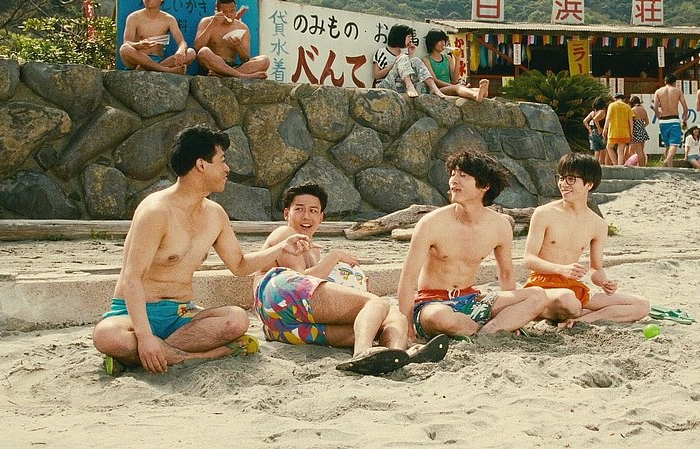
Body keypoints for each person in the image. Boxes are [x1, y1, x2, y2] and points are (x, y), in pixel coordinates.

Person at [92, 125, 313, 375]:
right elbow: (132, 278)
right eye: (222, 160)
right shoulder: (156, 211)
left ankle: (145, 357)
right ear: (201, 164)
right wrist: (144, 337)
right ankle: (201, 354)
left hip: (182, 316)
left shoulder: (215, 215)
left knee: (236, 319)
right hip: (133, 314)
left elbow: (239, 265)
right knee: (107, 336)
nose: (227, 169)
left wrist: (281, 248)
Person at [254, 183, 449, 375]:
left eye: (313, 210)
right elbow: (300, 281)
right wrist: (334, 256)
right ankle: (362, 353)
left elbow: (306, 289)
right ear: (286, 214)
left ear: (321, 217)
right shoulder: (286, 234)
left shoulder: (313, 250)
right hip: (276, 300)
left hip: (283, 327)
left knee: (389, 320)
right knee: (377, 303)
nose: (306, 216)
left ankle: (398, 356)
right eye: (299, 209)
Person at [397, 151, 579, 341]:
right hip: (432, 303)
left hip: (472, 300)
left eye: (463, 175)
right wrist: (407, 326)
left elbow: (506, 275)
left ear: (484, 186)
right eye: (453, 174)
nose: (454, 181)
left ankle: (487, 331)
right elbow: (408, 278)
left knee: (538, 295)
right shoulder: (431, 223)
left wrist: (512, 313)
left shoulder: (500, 226)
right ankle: (486, 328)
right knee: (440, 317)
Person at [523, 153, 650, 327]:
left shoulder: (598, 224)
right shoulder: (544, 213)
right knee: (568, 300)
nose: (563, 184)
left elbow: (596, 269)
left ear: (589, 184)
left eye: (571, 179)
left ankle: (580, 320)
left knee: (641, 305)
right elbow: (529, 259)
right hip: (542, 286)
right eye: (561, 178)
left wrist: (604, 282)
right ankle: (575, 313)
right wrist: (561, 269)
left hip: (573, 288)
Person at [194, 0, 269, 79]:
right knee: (203, 52)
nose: (229, 15)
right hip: (213, 65)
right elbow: (197, 47)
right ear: (217, 11)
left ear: (236, 10)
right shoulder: (207, 22)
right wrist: (212, 24)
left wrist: (238, 46)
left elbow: (246, 58)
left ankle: (224, 74)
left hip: (233, 66)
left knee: (265, 60)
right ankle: (241, 75)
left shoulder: (242, 27)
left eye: (232, 11)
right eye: (224, 12)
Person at [119, 0, 197, 74]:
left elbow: (182, 42)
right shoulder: (133, 17)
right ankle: (166, 70)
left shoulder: (169, 19)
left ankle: (148, 68)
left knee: (191, 53)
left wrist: (181, 50)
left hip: (159, 61)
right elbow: (127, 42)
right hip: (139, 60)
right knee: (124, 49)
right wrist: (139, 44)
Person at [372, 24, 447, 98]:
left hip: (400, 86)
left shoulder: (404, 54)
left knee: (415, 60)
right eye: (408, 37)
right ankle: (409, 86)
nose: (410, 40)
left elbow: (409, 71)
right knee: (403, 57)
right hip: (384, 86)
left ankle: (433, 88)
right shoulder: (382, 52)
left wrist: (410, 55)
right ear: (400, 37)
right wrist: (394, 64)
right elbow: (376, 76)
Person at [421, 28, 489, 102]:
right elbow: (435, 81)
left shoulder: (448, 58)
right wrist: (453, 86)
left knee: (469, 89)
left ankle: (482, 92)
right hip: (437, 90)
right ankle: (475, 96)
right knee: (458, 88)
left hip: (450, 87)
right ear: (432, 42)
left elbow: (455, 80)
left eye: (444, 40)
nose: (443, 43)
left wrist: (457, 60)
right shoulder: (426, 60)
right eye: (440, 41)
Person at [654, 73, 689, 167]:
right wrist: (685, 119)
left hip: (663, 120)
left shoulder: (658, 91)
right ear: (674, 82)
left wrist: (658, 116)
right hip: (674, 119)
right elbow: (685, 107)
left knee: (667, 146)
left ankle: (669, 167)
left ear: (665, 81)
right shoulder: (677, 91)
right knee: (674, 144)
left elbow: (655, 107)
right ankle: (667, 160)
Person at [603, 93, 633, 166]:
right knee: (620, 150)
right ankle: (619, 166)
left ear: (615, 99)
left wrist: (605, 128)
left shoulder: (612, 105)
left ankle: (615, 164)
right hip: (624, 132)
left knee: (609, 147)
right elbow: (631, 121)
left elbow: (608, 118)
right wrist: (631, 133)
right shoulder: (627, 107)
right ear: (624, 99)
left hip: (613, 131)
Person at [583, 97, 608, 165]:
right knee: (604, 150)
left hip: (593, 132)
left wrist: (589, 129)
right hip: (600, 132)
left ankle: (595, 164)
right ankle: (602, 164)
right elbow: (595, 119)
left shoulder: (592, 112)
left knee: (596, 151)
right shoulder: (602, 112)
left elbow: (585, 121)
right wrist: (599, 128)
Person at [629, 96, 650, 167]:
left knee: (638, 151)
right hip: (642, 130)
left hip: (636, 131)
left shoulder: (633, 110)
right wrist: (641, 126)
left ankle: (641, 166)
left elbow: (631, 122)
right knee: (642, 150)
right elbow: (647, 122)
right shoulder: (643, 110)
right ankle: (643, 165)